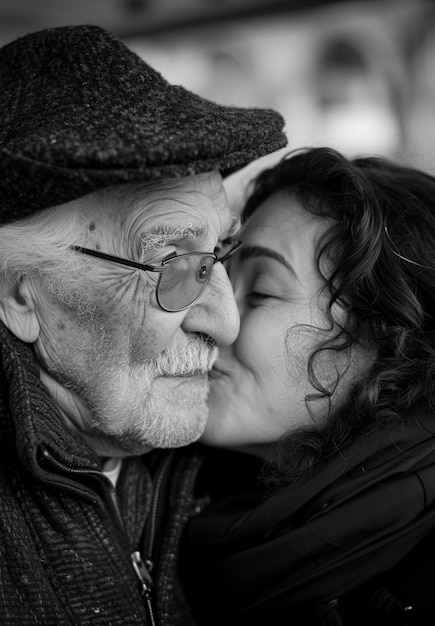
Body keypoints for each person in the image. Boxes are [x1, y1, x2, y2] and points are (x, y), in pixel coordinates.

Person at [0, 23, 286, 625]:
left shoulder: (225, 469)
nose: (227, 323)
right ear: (20, 296)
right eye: (171, 264)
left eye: (220, 257)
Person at [185, 147, 435, 626]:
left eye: (259, 290)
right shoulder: (182, 491)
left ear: (390, 342)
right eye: (212, 278)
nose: (206, 316)